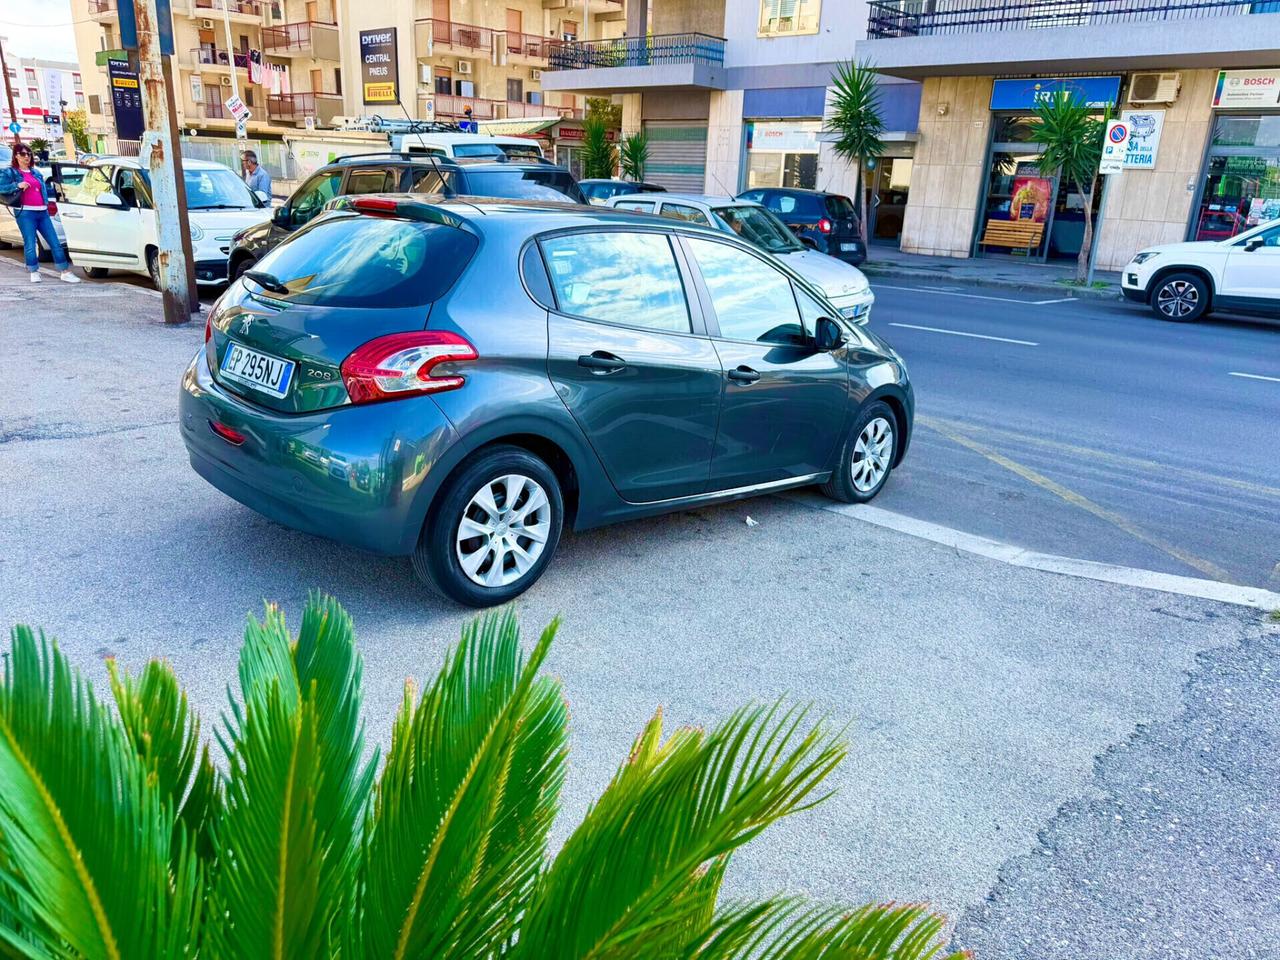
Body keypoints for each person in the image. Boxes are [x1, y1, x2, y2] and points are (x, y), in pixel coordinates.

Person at [0, 144, 79, 284]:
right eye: (23, 154)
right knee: (30, 242)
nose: (27, 157)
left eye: (29, 154)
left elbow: (44, 190)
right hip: (25, 212)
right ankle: (34, 271)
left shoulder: (36, 172)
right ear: (16, 155)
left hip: (42, 211)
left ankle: (65, 272)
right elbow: (2, 188)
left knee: (55, 242)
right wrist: (16, 185)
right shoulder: (10, 172)